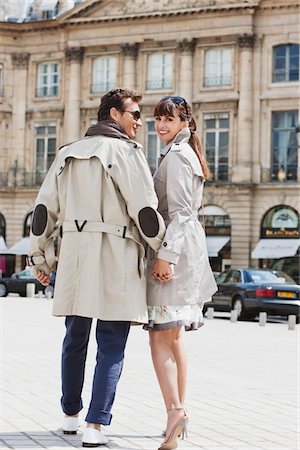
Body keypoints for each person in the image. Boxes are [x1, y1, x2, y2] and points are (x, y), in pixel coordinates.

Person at [28, 88, 165, 448]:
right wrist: (163, 253)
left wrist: (39, 258)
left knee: (74, 339)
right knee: (111, 344)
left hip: (75, 255)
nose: (139, 121)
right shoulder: (128, 153)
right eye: (134, 113)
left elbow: (43, 211)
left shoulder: (66, 153)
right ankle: (95, 425)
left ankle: (70, 416)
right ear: (114, 114)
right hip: (117, 256)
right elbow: (145, 211)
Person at [144, 96, 218, 450]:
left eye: (168, 120)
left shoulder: (176, 157)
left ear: (185, 122)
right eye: (158, 119)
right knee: (174, 338)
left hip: (174, 255)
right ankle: (176, 412)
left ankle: (174, 411)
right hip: (186, 252)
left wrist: (166, 256)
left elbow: (181, 213)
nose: (161, 126)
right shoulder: (185, 153)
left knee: (159, 337)